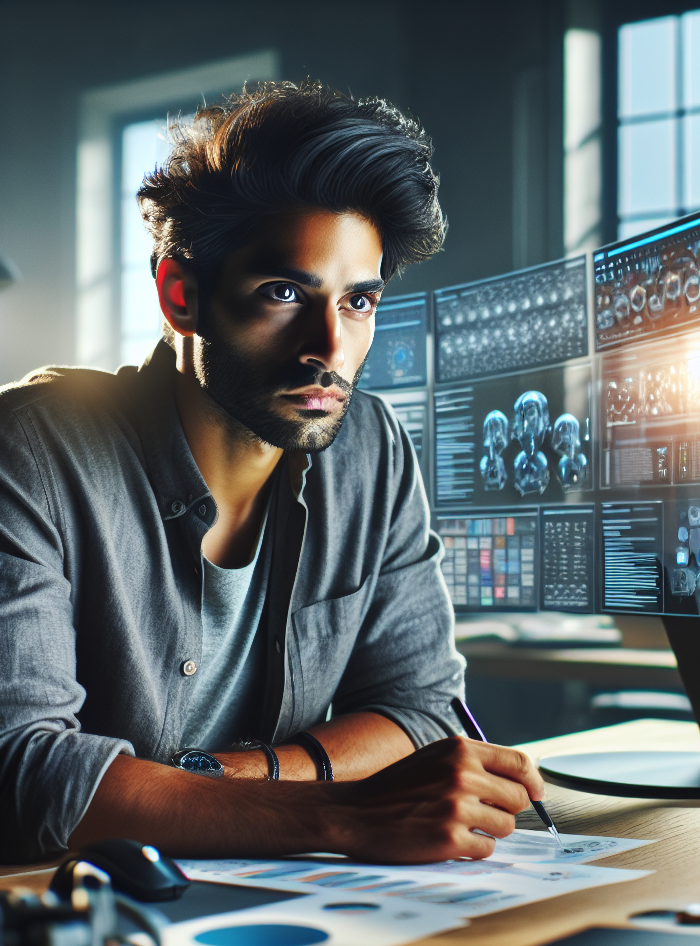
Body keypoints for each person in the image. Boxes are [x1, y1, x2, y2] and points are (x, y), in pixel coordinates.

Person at [0, 80, 543, 865]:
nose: (328, 347)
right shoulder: (29, 453)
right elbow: (24, 770)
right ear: (182, 295)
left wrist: (222, 781)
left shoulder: (371, 449)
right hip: (60, 905)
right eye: (284, 293)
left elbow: (422, 713)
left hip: (276, 894)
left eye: (358, 302)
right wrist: (342, 817)